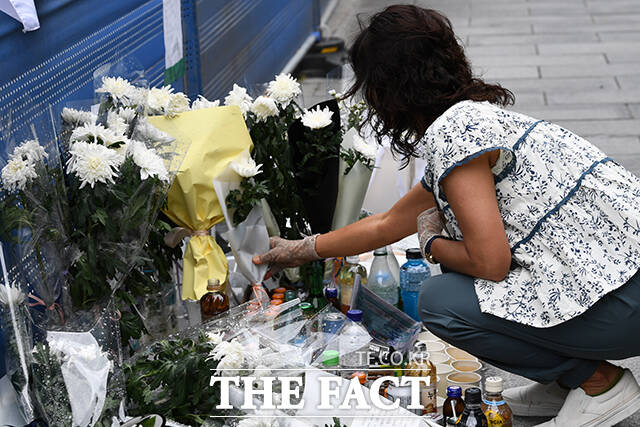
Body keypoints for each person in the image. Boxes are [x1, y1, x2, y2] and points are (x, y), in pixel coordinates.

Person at [253, 5, 640, 426]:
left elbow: (491, 264)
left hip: (624, 302)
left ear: (388, 88)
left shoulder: (454, 135)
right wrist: (304, 249)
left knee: (441, 302)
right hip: (621, 286)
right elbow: (387, 223)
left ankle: (599, 382)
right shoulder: (474, 117)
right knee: (464, 289)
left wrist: (432, 245)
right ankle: (565, 383)